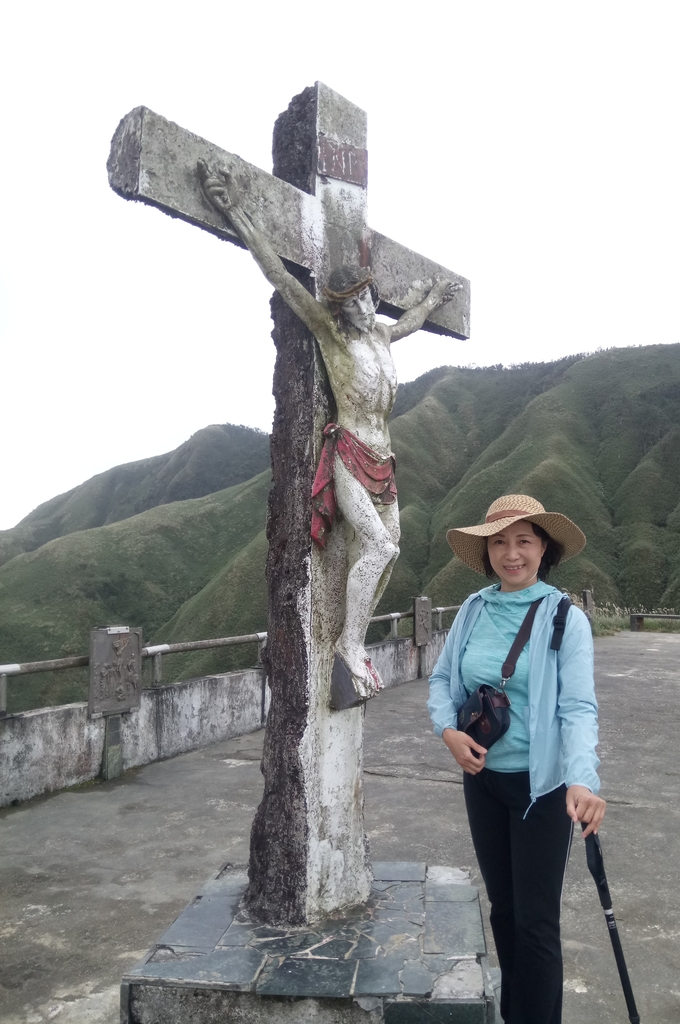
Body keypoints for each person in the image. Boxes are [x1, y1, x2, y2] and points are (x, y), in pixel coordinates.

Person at [198, 162, 460, 703]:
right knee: (381, 547)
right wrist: (234, 210)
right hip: (347, 456)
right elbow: (282, 279)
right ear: (341, 306)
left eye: (369, 296)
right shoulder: (332, 336)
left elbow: (411, 320)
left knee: (394, 545)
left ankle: (352, 644)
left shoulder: (383, 337)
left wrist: (434, 299)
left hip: (384, 461)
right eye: (355, 300)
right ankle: (347, 644)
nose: (366, 306)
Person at [427, 493, 606, 1024]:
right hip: (482, 782)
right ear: (486, 552)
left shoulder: (564, 619)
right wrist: (447, 733)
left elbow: (577, 708)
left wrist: (582, 780)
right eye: (499, 542)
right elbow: (442, 680)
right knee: (503, 911)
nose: (511, 553)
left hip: (543, 789)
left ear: (543, 548)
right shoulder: (473, 610)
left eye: (523, 541)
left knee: (536, 924)